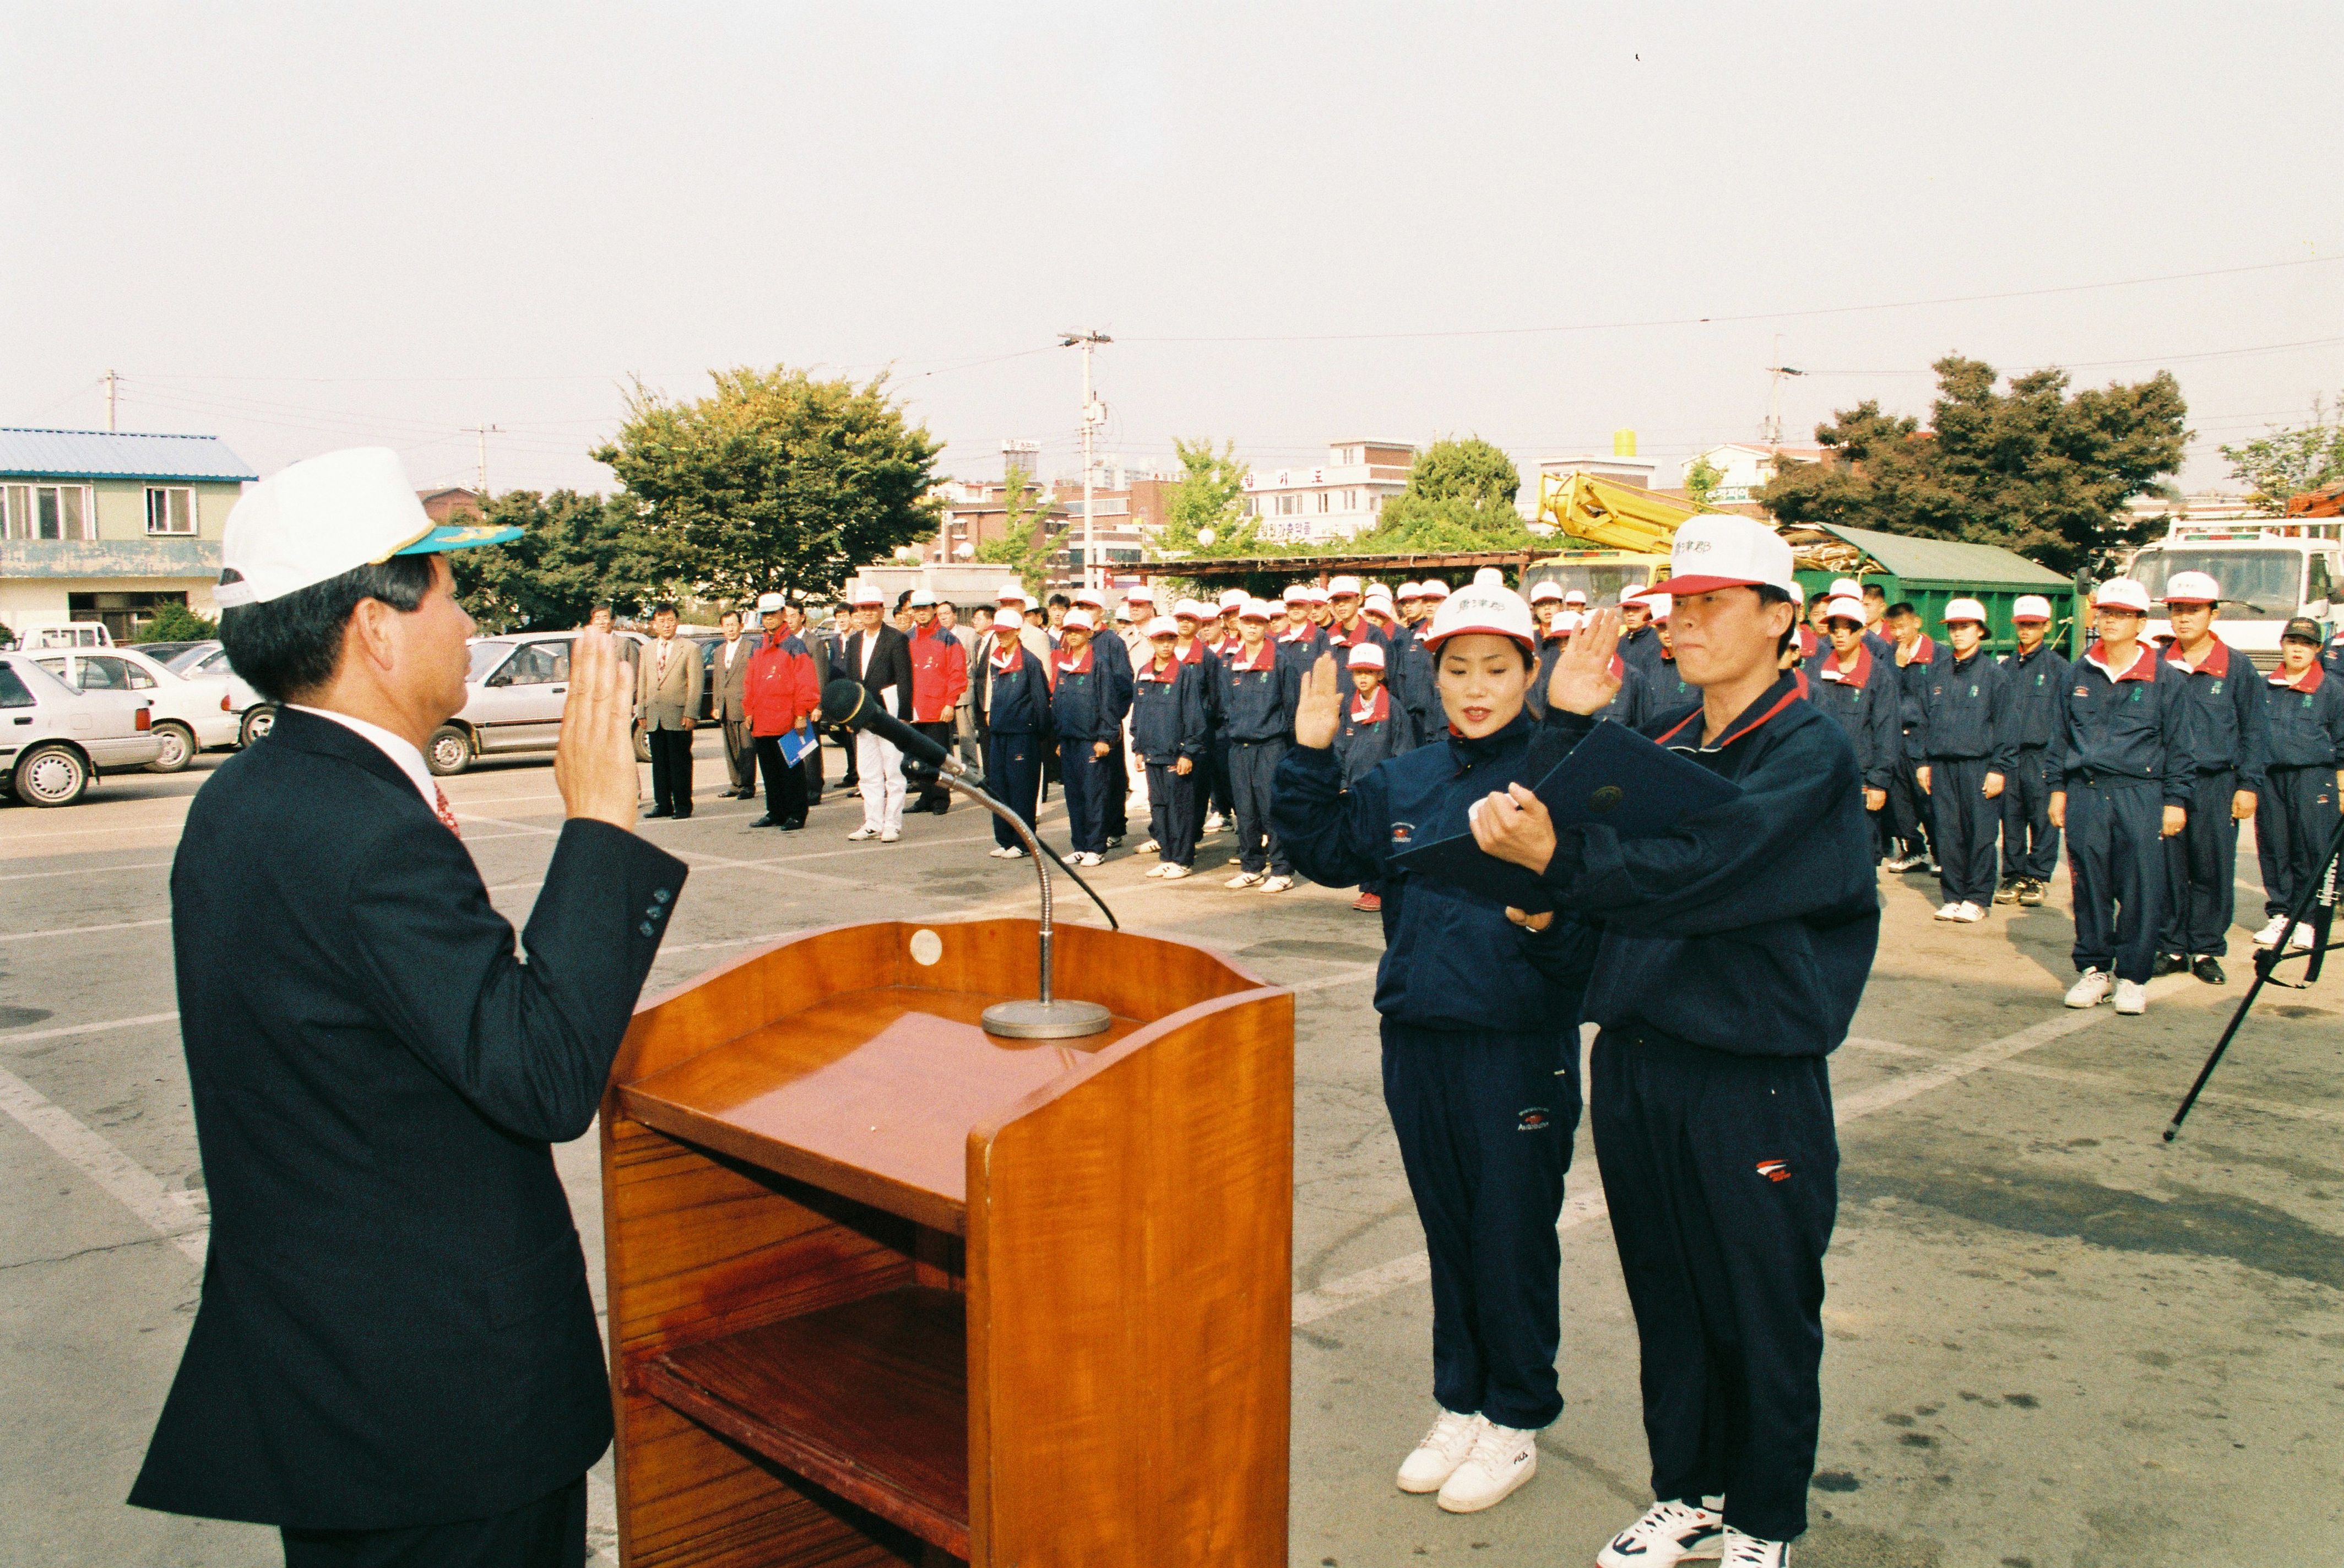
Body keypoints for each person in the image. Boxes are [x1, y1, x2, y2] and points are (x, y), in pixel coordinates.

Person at [128, 447, 687, 1568]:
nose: (470, 621)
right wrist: (601, 824)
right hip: (438, 1417)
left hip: (344, 1397)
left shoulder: (253, 796)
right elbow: (541, 1075)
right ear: (375, 629)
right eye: (448, 590)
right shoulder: (359, 830)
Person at [1466, 514, 1878, 1568]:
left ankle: (1765, 1520)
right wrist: (1558, 899)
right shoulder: (1670, 748)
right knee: (1670, 1289)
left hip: (1751, 1072)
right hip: (1645, 1058)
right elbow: (1594, 881)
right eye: (1676, 605)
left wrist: (1567, 864)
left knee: (1762, 1301)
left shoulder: (1806, 750)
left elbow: (1705, 865)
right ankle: (1689, 1492)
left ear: (1781, 618)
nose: (1683, 622)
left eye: (1711, 602)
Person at [1274, 576, 1598, 1520]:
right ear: (1434, 676)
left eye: (1497, 667)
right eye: (1457, 668)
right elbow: (1330, 851)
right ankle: (1460, 1400)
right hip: (1417, 1038)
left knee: (1509, 1230)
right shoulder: (1406, 779)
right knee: (1450, 1229)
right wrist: (1308, 751)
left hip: (1516, 1042)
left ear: (1530, 672)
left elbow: (1597, 916)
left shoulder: (1559, 774)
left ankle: (1516, 1417)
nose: (1476, 686)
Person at [2052, 577, 2195, 1015]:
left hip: (2142, 794)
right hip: (2086, 792)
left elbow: (2182, 745)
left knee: (2141, 887)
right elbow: (2059, 736)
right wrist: (2057, 790)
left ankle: (2132, 976)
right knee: (2089, 883)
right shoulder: (2077, 672)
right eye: (2106, 613)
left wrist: (2176, 800)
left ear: (2141, 622)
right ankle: (2095, 970)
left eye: (2122, 615)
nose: (2111, 621)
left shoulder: (2166, 679)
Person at [2153, 571, 2269, 984]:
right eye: (2177, 610)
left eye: (2194, 610)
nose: (2184, 618)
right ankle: (2170, 944)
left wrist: (2249, 784)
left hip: (2216, 782)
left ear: (2213, 614)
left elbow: (2256, 729)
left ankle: (2204, 948)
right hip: (2166, 784)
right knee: (2166, 864)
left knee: (2212, 866)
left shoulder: (2236, 667)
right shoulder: (2157, 663)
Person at [1913, 598, 2014, 923]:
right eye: (1954, 627)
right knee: (1948, 831)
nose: (1958, 633)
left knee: (1980, 833)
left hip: (1979, 765)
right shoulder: (1937, 673)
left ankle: (1977, 897)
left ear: (1980, 631)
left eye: (1965, 627)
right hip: (1942, 764)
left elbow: (2007, 726)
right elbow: (1924, 720)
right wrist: (1924, 761)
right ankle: (1953, 895)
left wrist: (2000, 768)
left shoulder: (1994, 675)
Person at [2255, 618, 2344, 951]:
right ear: (2282, 644)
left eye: (2306, 643)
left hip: (2314, 777)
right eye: (2292, 641)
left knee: (2312, 847)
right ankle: (2280, 914)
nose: (2297, 649)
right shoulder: (2265, 687)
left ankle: (2308, 919)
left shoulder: (2333, 689)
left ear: (2318, 649)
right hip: (2272, 777)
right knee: (2275, 845)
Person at [1802, 593, 1897, 862]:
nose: (1840, 635)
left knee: (1861, 854)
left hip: (1862, 781)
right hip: (1822, 778)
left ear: (1863, 631)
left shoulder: (1879, 677)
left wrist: (1879, 782)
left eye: (1849, 628)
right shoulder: (1816, 672)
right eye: (1835, 628)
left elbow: (1886, 732)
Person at [1217, 599, 1300, 892]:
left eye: (1258, 622)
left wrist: (1290, 751)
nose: (1252, 626)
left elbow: (1292, 707)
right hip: (1239, 748)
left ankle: (1281, 870)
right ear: (1238, 623)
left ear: (1266, 626)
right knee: (1245, 809)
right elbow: (1225, 706)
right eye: (1247, 621)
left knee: (1271, 809)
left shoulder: (1281, 659)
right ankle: (1251, 866)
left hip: (1272, 746)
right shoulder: (1230, 662)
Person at [1996, 594, 2069, 907]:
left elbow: (2065, 719)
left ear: (2046, 627)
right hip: (2011, 754)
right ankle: (2013, 874)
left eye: (2033, 625)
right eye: (2022, 624)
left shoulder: (2059, 669)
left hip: (2042, 755)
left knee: (2042, 819)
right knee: (2011, 818)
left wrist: (2057, 761)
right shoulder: (2006, 667)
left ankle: (2037, 876)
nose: (2026, 630)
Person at [1332, 640, 1414, 911]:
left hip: (1383, 788)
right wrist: (1343, 784)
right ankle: (1368, 887)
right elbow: (1340, 749)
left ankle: (1380, 889)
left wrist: (1396, 786)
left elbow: (1402, 751)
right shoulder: (1348, 707)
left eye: (1369, 672)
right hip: (1356, 788)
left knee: (1382, 838)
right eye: (1358, 672)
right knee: (1361, 838)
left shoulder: (1394, 708)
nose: (1363, 678)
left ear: (1380, 674)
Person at [1048, 609, 1130, 866]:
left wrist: (1106, 738)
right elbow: (1058, 704)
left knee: (1095, 795)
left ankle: (1096, 846)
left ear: (1089, 633)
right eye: (1068, 631)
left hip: (1092, 742)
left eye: (1077, 631)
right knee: (1074, 795)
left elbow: (1109, 704)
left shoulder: (1100, 665)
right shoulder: (1064, 664)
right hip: (1070, 741)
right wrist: (1060, 739)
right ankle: (1080, 845)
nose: (1072, 635)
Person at [978, 585, 1055, 859]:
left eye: (1006, 633)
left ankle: (1023, 843)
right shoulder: (997, 660)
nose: (1001, 637)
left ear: (1017, 632)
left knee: (1022, 790)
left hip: (1024, 734)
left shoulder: (1030, 662)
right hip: (999, 732)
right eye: (998, 632)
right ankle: (1005, 840)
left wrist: (1040, 734)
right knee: (999, 788)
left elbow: (1041, 700)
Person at [835, 583, 913, 844]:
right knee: (867, 772)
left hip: (889, 715)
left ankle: (892, 824)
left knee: (893, 772)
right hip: (862, 716)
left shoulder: (896, 638)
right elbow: (851, 681)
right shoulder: (855, 640)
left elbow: (905, 678)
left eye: (873, 608)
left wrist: (903, 716)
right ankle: (872, 822)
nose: (868, 613)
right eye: (863, 608)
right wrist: (849, 715)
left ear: (882, 609)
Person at [1131, 616, 1206, 878]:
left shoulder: (1184, 674)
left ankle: (1183, 860)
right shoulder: (1143, 672)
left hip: (1175, 755)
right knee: (1159, 806)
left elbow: (1194, 716)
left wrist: (1188, 752)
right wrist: (1138, 748)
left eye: (1170, 639)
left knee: (1180, 809)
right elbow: (1138, 714)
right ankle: (1167, 856)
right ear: (1151, 641)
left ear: (1176, 640)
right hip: (1151, 753)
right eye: (1160, 639)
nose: (1165, 644)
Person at [743, 593, 817, 830]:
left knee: (792, 769)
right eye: (764, 615)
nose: (768, 619)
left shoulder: (795, 645)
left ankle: (796, 814)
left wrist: (800, 714)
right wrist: (749, 710)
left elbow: (805, 682)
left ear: (783, 614)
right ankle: (775, 811)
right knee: (770, 770)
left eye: (773, 614)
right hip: (763, 719)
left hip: (788, 719)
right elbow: (750, 682)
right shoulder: (758, 646)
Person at [1881, 601, 1937, 873]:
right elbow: (1885, 690)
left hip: (1922, 737)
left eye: (1902, 627)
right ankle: (1914, 849)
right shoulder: (1890, 655)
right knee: (1899, 798)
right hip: (1897, 737)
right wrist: (1897, 666)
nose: (1898, 634)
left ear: (1917, 623)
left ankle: (1941, 852)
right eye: (1893, 629)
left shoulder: (1936, 655)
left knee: (1927, 799)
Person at [903, 590, 968, 816]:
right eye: (917, 609)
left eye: (925, 609)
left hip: (939, 708)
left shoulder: (949, 639)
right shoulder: (907, 638)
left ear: (933, 609)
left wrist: (950, 703)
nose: (921, 613)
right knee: (918, 757)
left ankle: (941, 798)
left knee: (938, 756)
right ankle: (925, 796)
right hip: (914, 708)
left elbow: (957, 674)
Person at [636, 601, 702, 820]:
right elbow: (642, 682)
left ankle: (683, 805)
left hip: (679, 714)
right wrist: (642, 711)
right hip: (654, 715)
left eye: (670, 620)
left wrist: (691, 713)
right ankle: (662, 804)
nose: (666, 625)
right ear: (654, 624)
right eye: (662, 621)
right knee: (660, 763)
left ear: (677, 622)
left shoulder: (690, 649)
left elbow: (695, 685)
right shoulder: (646, 650)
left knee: (680, 762)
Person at [710, 608, 758, 800]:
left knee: (747, 747)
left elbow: (755, 678)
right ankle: (736, 783)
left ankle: (748, 784)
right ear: (722, 628)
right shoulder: (719, 650)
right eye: (726, 625)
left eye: (733, 624)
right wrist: (716, 704)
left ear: (741, 625)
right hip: (725, 706)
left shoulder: (750, 647)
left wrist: (753, 707)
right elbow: (717, 679)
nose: (730, 629)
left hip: (743, 705)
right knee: (730, 748)